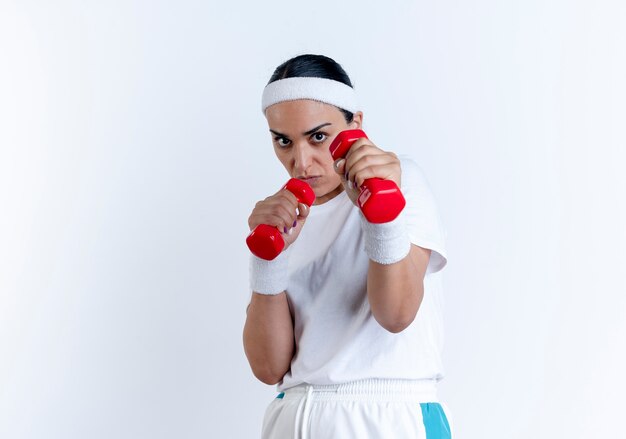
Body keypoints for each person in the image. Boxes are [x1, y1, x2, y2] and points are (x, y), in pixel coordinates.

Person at [242, 54, 454, 439]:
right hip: (292, 416)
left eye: (318, 136)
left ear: (355, 124)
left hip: (385, 417)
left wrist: (381, 215)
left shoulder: (402, 179)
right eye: (283, 141)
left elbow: (396, 314)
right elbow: (269, 368)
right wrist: (267, 260)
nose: (301, 162)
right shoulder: (284, 216)